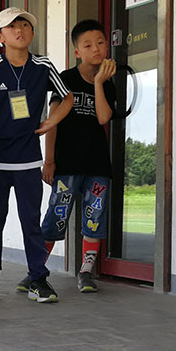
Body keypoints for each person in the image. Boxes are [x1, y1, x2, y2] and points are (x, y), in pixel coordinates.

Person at [0, 7, 73, 304]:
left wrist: (52, 121)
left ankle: (38, 279)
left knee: (31, 221)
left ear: (32, 33)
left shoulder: (43, 66)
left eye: (25, 25)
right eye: (12, 26)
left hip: (28, 159)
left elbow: (67, 97)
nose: (20, 30)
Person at [38, 19, 117, 294]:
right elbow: (53, 121)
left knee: (94, 217)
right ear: (77, 52)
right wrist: (49, 160)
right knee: (56, 217)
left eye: (100, 43)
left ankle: (86, 272)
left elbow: (103, 118)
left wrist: (99, 83)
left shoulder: (107, 82)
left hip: (97, 164)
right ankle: (37, 271)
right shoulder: (66, 79)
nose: (96, 49)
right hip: (67, 163)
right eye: (88, 45)